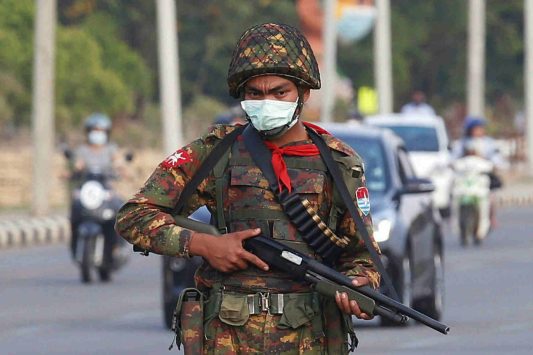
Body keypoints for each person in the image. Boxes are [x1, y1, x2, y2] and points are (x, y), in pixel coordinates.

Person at [115, 23, 380, 354]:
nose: (266, 102)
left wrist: (361, 285)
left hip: (307, 338)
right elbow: (133, 217)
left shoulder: (339, 164)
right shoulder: (216, 151)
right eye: (255, 93)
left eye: (279, 92)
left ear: (304, 93)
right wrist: (203, 244)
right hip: (228, 336)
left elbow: (363, 255)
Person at [69, 113, 125, 259]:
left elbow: (118, 162)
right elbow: (77, 164)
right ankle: (74, 242)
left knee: (119, 210)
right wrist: (75, 169)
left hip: (105, 189)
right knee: (75, 206)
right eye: (94, 130)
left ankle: (116, 246)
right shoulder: (82, 150)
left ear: (106, 133)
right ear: (88, 132)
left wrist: (120, 168)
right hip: (87, 189)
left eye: (101, 131)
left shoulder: (111, 149)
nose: (97, 134)